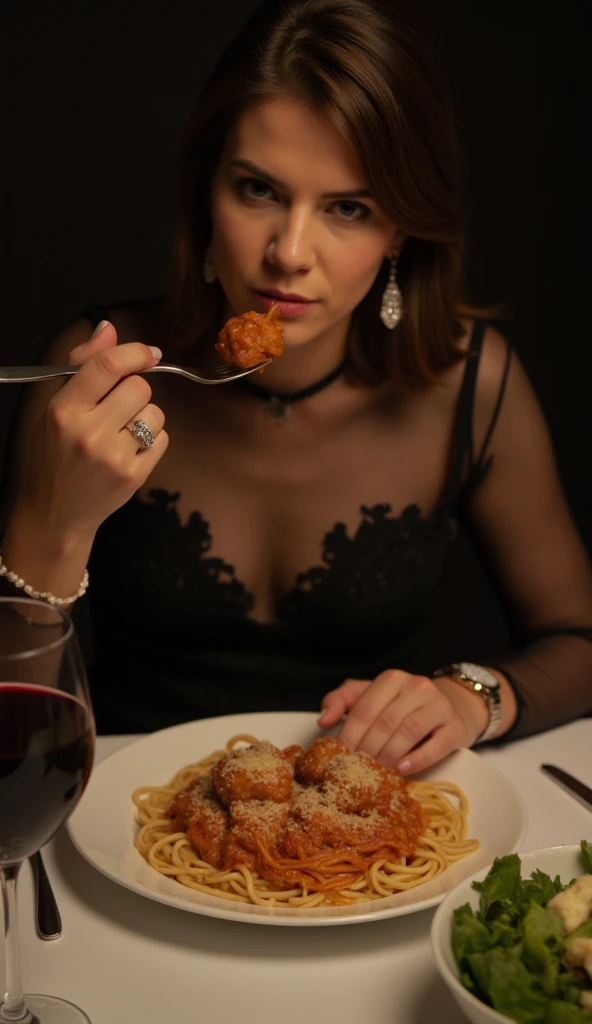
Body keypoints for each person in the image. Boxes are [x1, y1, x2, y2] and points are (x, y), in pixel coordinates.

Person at [1, 0, 591, 774]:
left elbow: (579, 641)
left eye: (348, 208)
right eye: (259, 190)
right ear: (206, 191)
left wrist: (468, 696)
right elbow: (12, 746)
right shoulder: (94, 374)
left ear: (400, 231)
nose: (290, 252)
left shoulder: (473, 385)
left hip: (366, 846)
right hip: (123, 829)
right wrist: (55, 521)